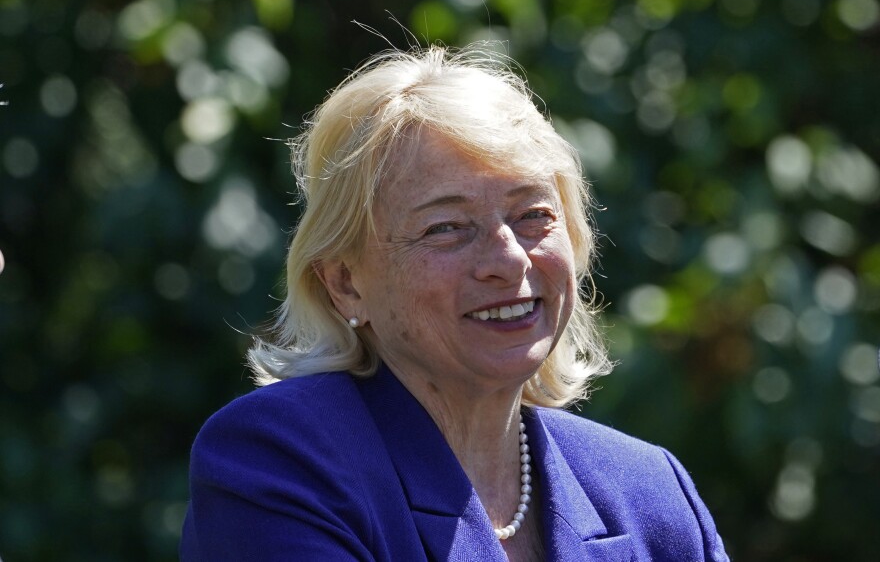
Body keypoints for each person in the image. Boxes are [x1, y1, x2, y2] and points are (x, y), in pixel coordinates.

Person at [180, 44, 729, 561]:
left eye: (534, 215)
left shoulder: (650, 491)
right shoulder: (280, 461)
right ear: (346, 282)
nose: (509, 259)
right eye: (447, 227)